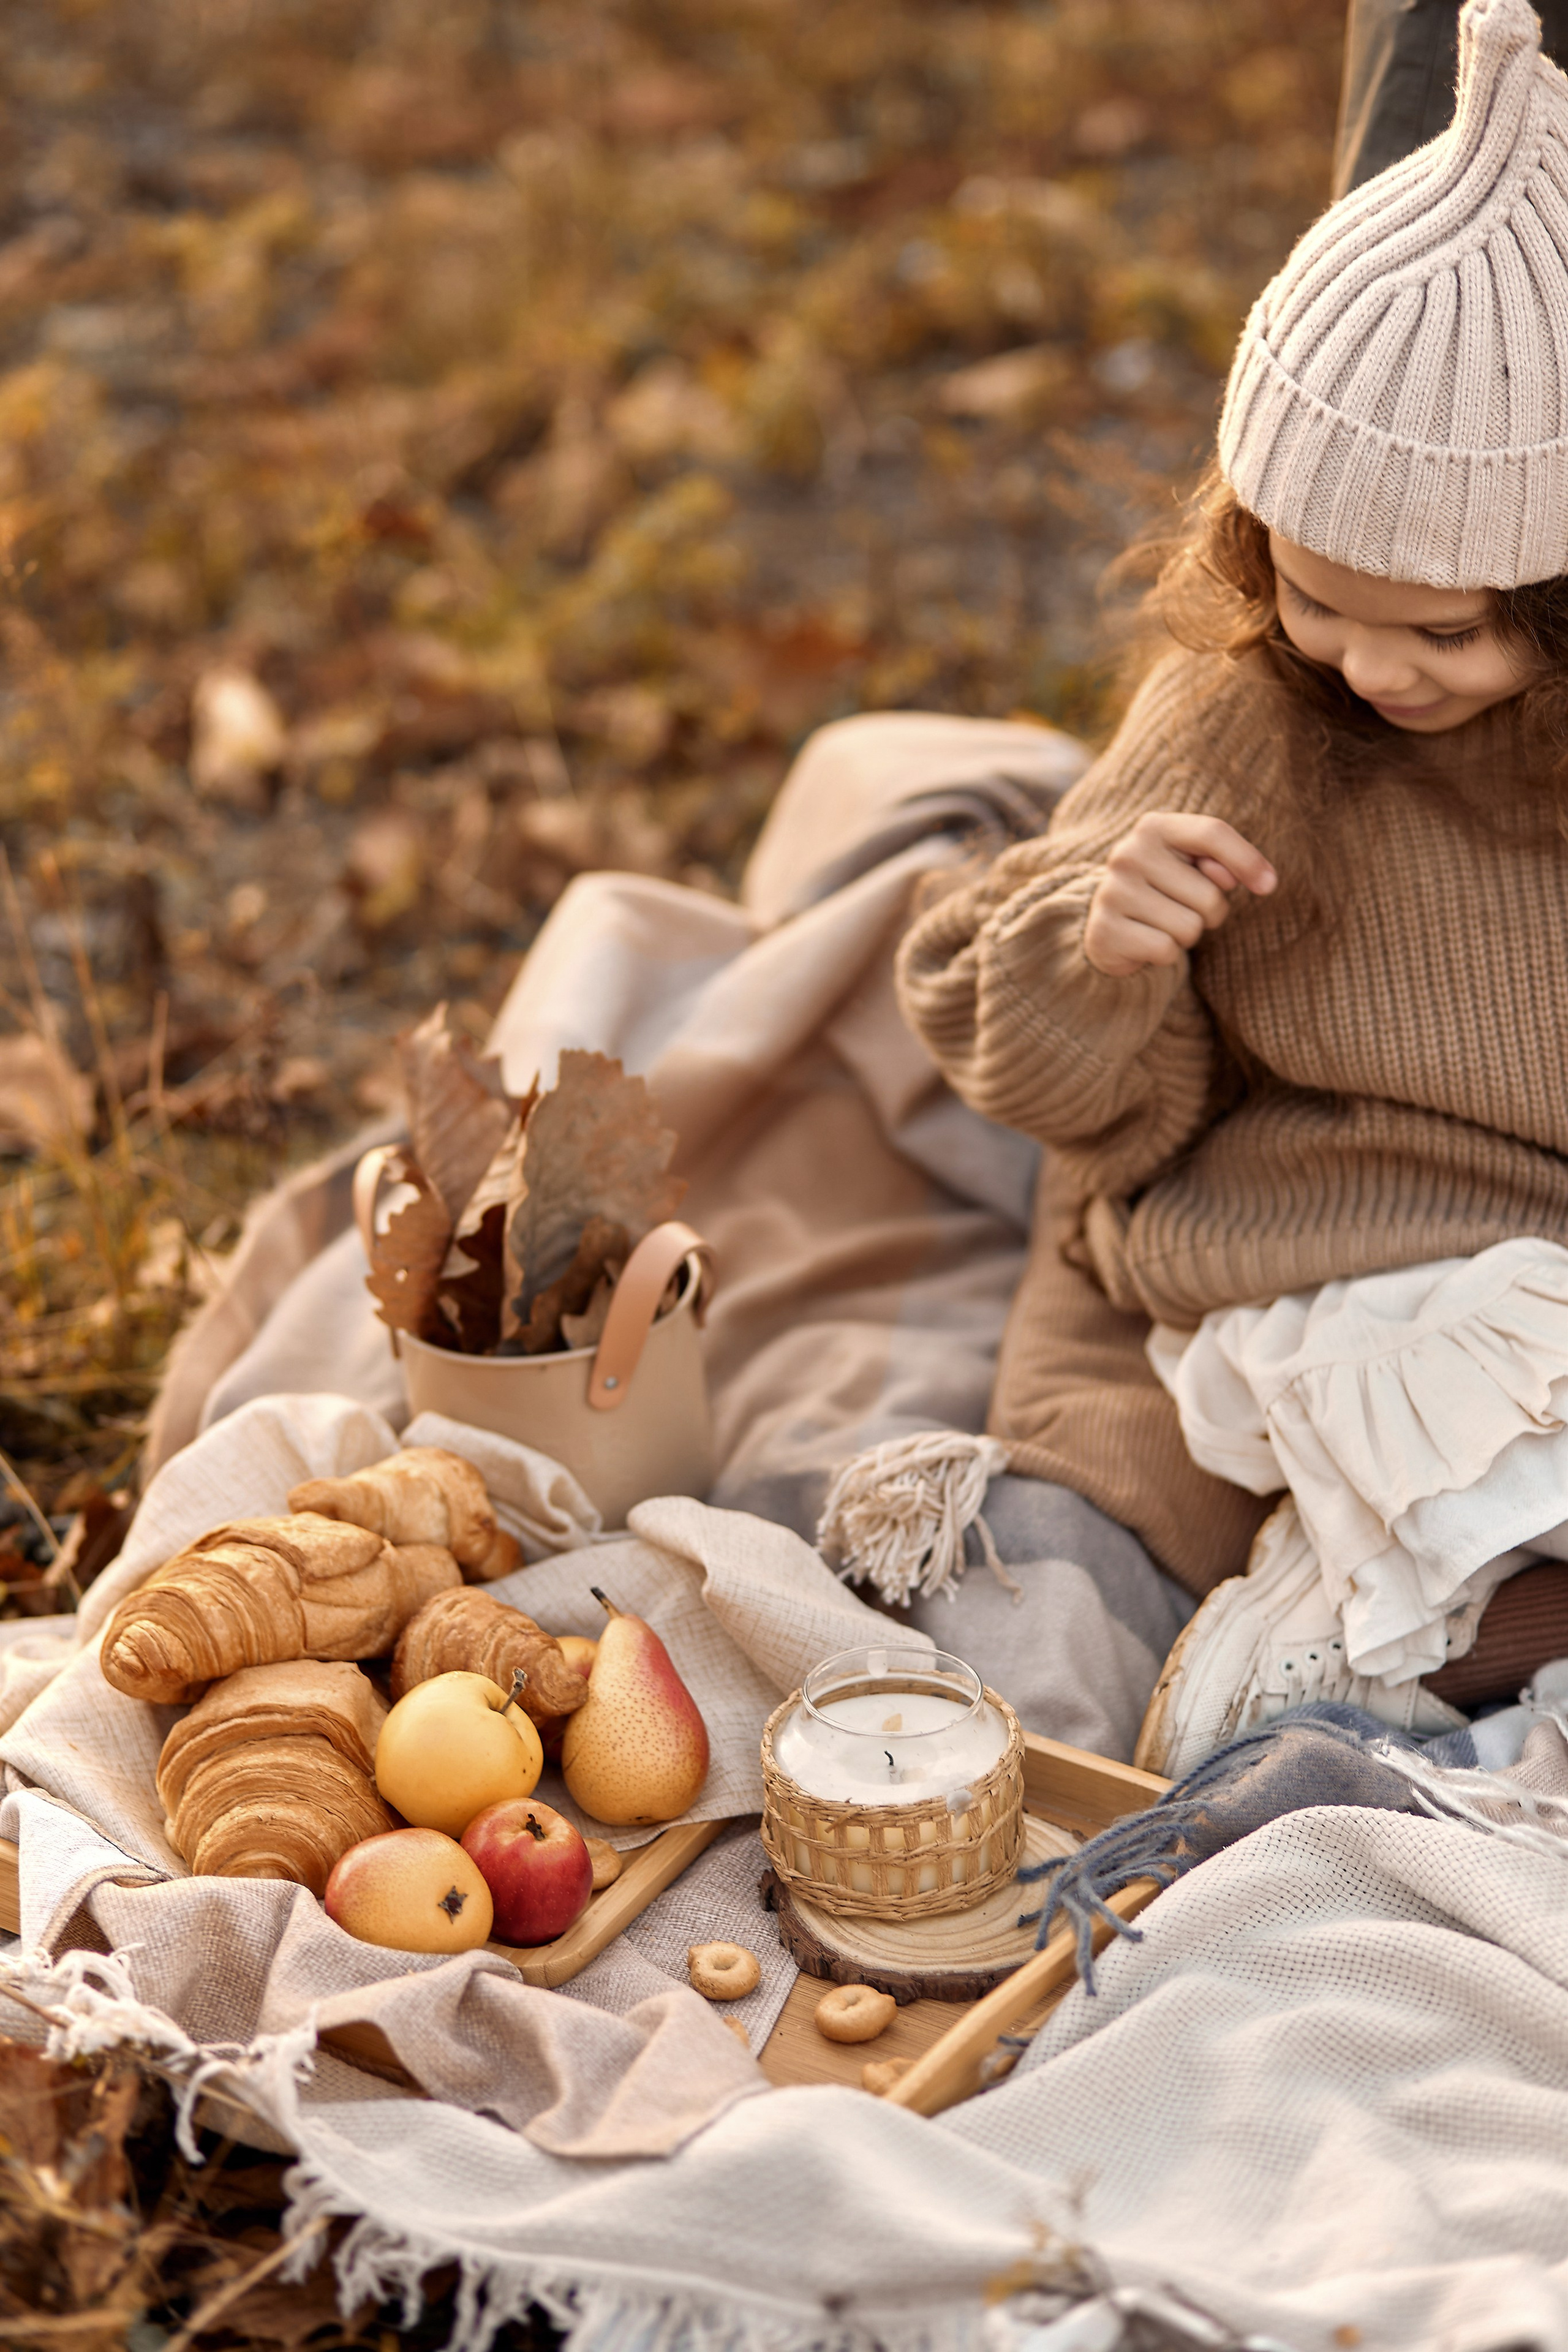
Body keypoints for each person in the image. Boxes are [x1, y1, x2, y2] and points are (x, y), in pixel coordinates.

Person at [897, 0, 1568, 1777]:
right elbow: (1028, 1060)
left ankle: (1393, 1660)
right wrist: (1090, 940)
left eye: (1445, 629)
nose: (1372, 666)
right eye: (1318, 597)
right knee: (1084, 1519)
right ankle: (1351, 1661)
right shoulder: (1258, 702)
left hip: (1542, 1277)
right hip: (1304, 1249)